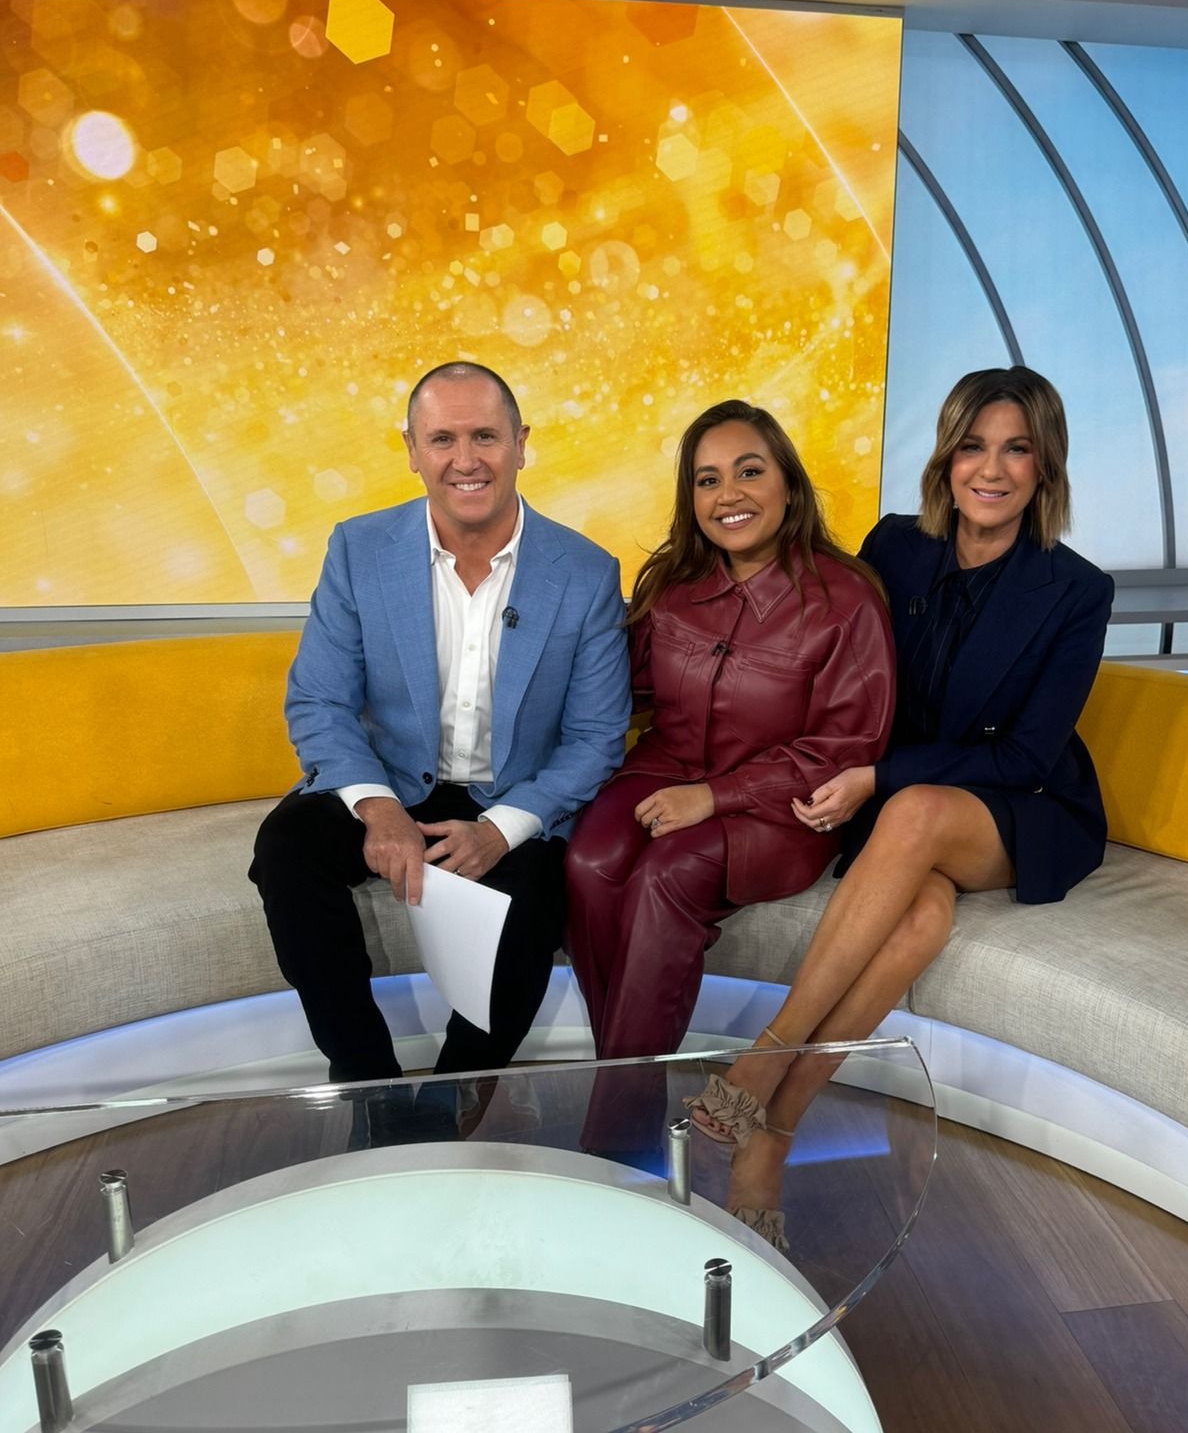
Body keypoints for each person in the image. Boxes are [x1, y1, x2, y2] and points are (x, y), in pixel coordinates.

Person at [693, 367, 1114, 1247]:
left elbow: (1026, 754)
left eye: (1016, 450)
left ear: (1045, 467)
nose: (990, 470)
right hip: (896, 799)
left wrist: (879, 779)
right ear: (946, 459)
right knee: (920, 917)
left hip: (1020, 805)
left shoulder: (1076, 590)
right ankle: (774, 1132)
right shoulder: (893, 546)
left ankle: (766, 1056)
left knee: (917, 810)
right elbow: (825, 659)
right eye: (972, 447)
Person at [249, 361, 630, 1104]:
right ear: (412, 451)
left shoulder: (585, 572)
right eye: (443, 439)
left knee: (533, 896)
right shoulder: (358, 549)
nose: (466, 460)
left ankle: (454, 1100)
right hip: (391, 777)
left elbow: (595, 737)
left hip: (510, 793)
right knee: (287, 848)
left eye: (485, 436)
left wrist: (500, 830)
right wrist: (377, 807)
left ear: (521, 444)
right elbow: (320, 700)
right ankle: (369, 1086)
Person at [564, 399, 896, 1068]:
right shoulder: (672, 583)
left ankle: (617, 1115)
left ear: (789, 485)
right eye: (707, 480)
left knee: (664, 875)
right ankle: (623, 1076)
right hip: (663, 770)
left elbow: (844, 750)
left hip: (781, 808)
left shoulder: (846, 600)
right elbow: (621, 692)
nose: (728, 495)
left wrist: (715, 797)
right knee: (587, 864)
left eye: (749, 472)